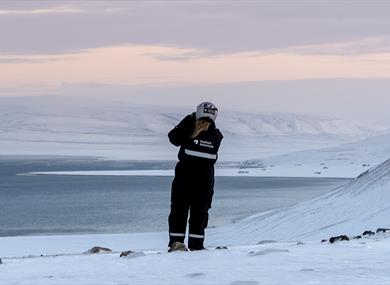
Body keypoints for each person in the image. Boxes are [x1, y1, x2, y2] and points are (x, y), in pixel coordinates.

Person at [167, 102, 223, 251]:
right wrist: (191, 130)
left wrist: (194, 129)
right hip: (191, 178)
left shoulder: (215, 135)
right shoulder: (192, 126)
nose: (204, 123)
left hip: (198, 179)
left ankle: (191, 245)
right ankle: (181, 244)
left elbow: (175, 138)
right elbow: (174, 138)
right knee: (183, 211)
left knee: (195, 212)